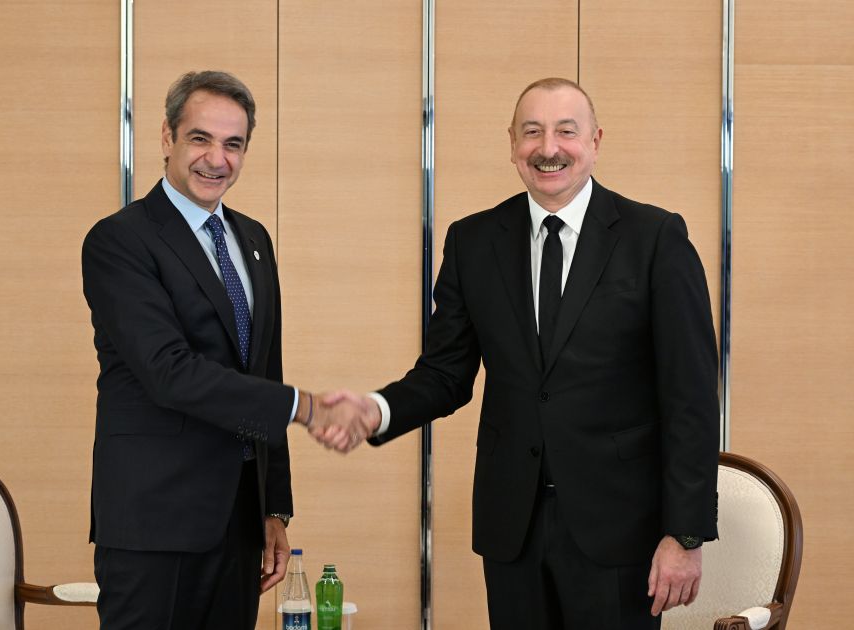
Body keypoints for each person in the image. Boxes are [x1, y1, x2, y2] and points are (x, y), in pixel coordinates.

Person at [319, 77, 720, 629]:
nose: (548, 148)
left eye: (566, 132)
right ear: (512, 144)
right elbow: (444, 374)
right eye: (532, 132)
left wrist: (685, 534)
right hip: (513, 526)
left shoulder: (654, 238)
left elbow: (691, 396)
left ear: (596, 141)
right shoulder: (472, 241)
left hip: (621, 529)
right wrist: (377, 409)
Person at [82, 70, 369, 629]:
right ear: (167, 137)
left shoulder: (253, 239)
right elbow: (169, 372)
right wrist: (305, 407)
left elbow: (264, 373)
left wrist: (274, 507)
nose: (217, 159)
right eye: (200, 139)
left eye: (233, 144)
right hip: (154, 523)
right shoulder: (120, 240)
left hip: (238, 523)